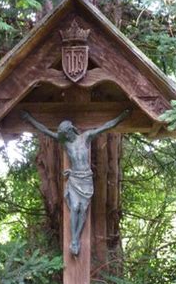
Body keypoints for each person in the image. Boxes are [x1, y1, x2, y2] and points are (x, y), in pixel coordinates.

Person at [21, 109, 130, 255]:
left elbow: (106, 126)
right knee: (74, 207)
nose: (64, 136)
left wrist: (121, 117)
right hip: (74, 179)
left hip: (86, 179)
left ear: (71, 130)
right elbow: (45, 130)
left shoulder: (86, 137)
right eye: (63, 135)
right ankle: (74, 240)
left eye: (65, 133)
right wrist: (29, 118)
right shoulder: (65, 143)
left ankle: (77, 237)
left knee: (82, 209)